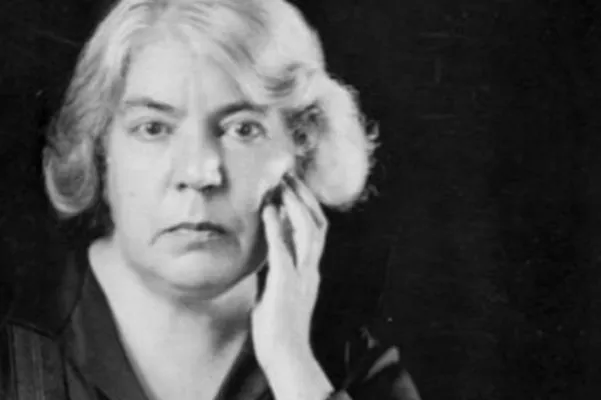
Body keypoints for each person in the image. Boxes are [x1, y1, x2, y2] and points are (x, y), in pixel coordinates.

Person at [0, 0, 421, 399]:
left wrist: (292, 366)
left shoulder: (352, 369)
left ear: (302, 149)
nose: (199, 173)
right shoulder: (14, 338)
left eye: (243, 129)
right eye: (153, 128)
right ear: (99, 150)